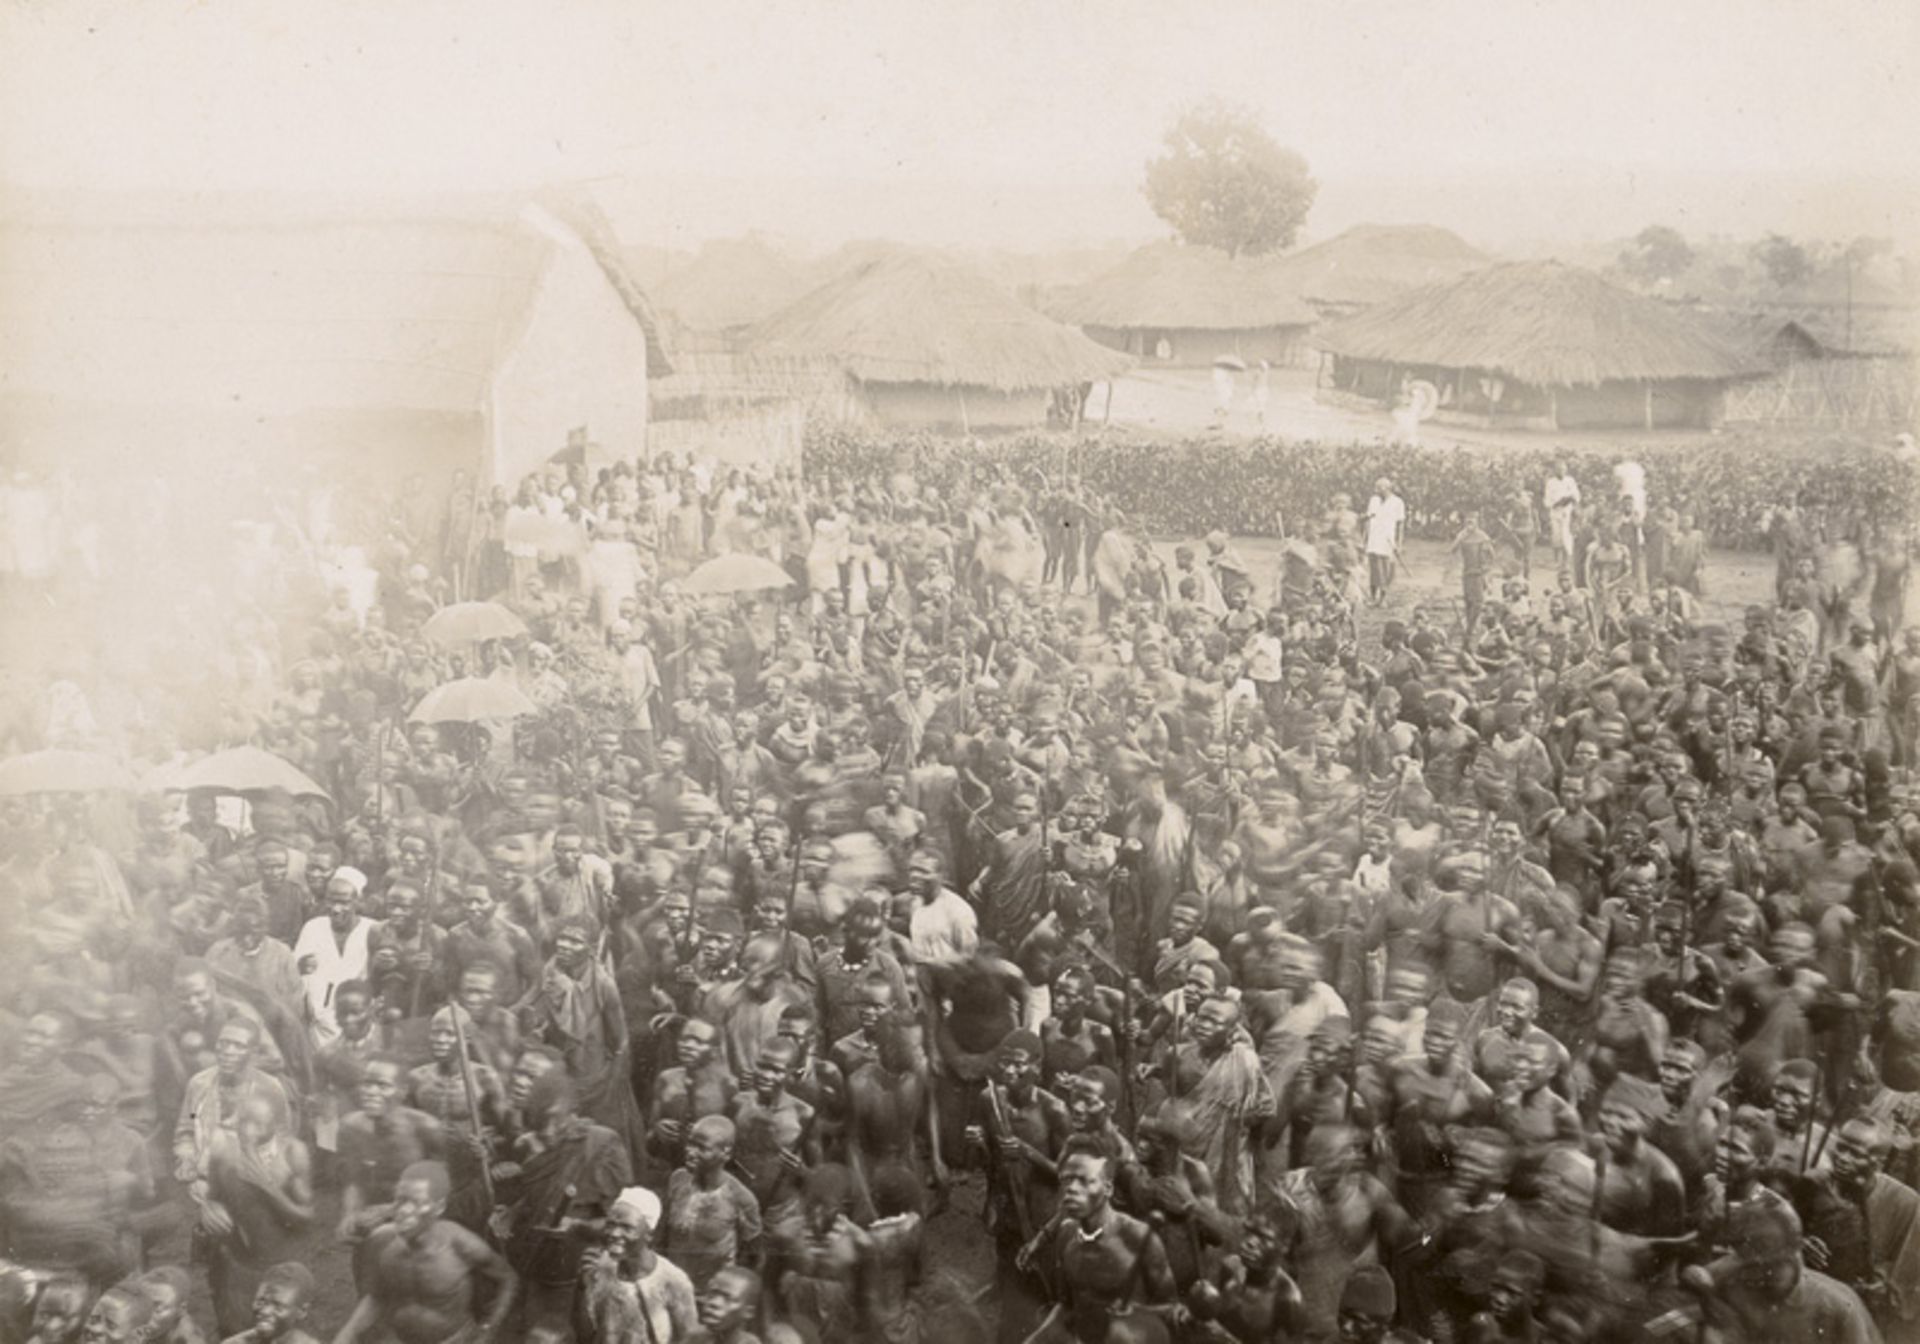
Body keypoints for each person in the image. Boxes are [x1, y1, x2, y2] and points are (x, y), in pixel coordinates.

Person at [334, 1161, 520, 1344]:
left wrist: (488, 1328)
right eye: (400, 1200)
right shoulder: (386, 1246)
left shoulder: (459, 1243)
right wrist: (347, 1333)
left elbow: (508, 1278)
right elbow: (377, 1296)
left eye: (417, 1203)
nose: (404, 1211)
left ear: (439, 1207)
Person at [576, 1185, 699, 1344]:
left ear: (649, 1234)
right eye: (611, 1224)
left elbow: (690, 1340)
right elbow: (583, 1336)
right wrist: (583, 1284)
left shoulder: (674, 1281)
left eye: (627, 1227)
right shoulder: (600, 1266)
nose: (614, 1233)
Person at [1364, 478, 1407, 606]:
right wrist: (1364, 538)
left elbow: (1400, 524)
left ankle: (1383, 598)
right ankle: (1372, 597)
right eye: (1376, 488)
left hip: (1387, 540)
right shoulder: (1374, 500)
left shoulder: (1397, 502)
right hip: (1373, 539)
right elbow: (1368, 519)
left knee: (1385, 570)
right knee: (1373, 570)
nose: (1376, 490)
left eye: (1379, 488)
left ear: (1387, 488)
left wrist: (1399, 543)